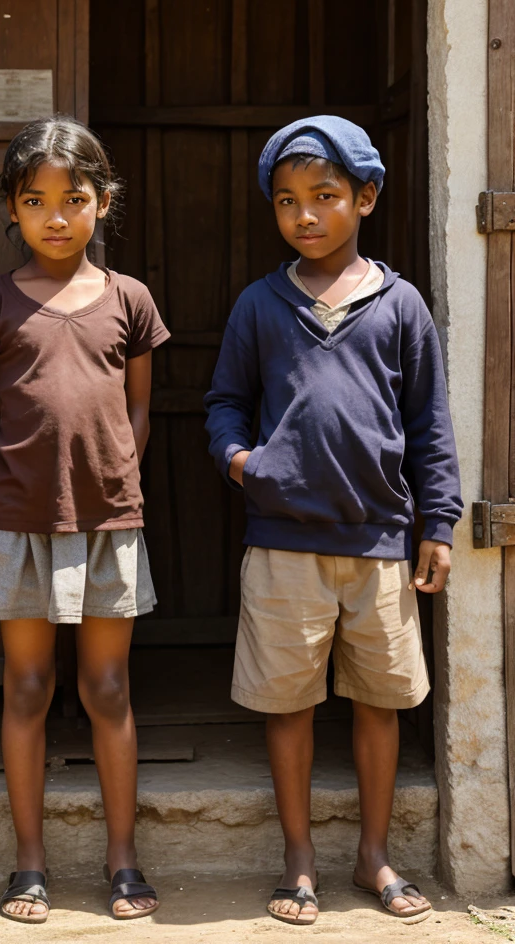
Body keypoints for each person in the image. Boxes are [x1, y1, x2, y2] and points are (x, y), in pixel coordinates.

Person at [205, 115, 462, 928]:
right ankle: (300, 857)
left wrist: (439, 522)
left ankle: (374, 853)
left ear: (367, 197)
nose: (305, 216)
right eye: (287, 201)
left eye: (324, 197)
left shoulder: (399, 304)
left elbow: (429, 423)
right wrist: (243, 462)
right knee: (290, 706)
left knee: (379, 704)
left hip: (381, 542)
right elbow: (223, 405)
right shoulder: (260, 303)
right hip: (284, 544)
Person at [0, 114, 169, 924]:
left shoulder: (129, 299)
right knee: (29, 685)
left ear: (102, 202)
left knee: (108, 687)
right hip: (19, 524)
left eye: (73, 198)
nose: (54, 215)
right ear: (11, 207)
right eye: (34, 199)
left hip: (110, 523)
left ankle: (121, 858)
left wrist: (115, 478)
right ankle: (30, 865)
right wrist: (7, 481)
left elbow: (139, 408)